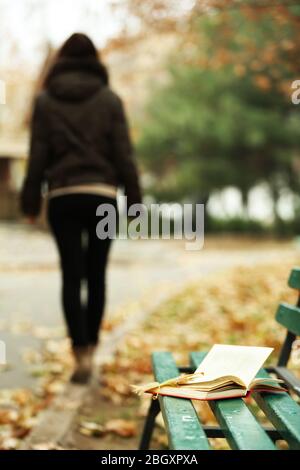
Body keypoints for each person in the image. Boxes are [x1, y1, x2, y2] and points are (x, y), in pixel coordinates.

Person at [21, 33, 142, 384]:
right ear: (95, 61)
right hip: (102, 197)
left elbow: (38, 156)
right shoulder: (110, 100)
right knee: (97, 274)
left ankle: (81, 354)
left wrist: (30, 201)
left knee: (71, 276)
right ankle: (93, 346)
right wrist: (134, 201)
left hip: (63, 197)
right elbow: (124, 155)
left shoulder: (44, 101)